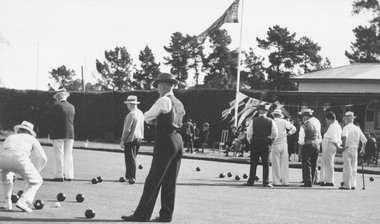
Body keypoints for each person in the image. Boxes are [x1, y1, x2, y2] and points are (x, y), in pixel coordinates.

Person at [121, 73, 185, 222]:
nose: (157, 90)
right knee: (170, 181)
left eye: (158, 86)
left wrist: (155, 120)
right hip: (178, 141)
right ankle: (166, 215)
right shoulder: (179, 102)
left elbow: (147, 116)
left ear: (163, 85)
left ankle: (142, 214)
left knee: (154, 179)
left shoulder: (163, 100)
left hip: (165, 140)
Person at [0, 121, 47, 212]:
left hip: (2, 160)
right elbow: (43, 158)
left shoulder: (10, 137)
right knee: (37, 181)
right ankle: (23, 201)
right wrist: (37, 172)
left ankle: (7, 203)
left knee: (6, 179)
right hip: (20, 159)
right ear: (30, 132)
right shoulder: (32, 139)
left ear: (19, 130)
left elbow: (5, 153)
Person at [244, 104, 278, 187]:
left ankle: (250, 181)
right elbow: (275, 133)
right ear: (266, 112)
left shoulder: (254, 120)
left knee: (253, 163)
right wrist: (271, 141)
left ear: (258, 111)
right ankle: (266, 182)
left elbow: (249, 133)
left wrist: (251, 142)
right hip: (266, 143)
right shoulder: (271, 121)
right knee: (266, 163)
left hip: (256, 142)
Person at [47, 88, 75, 182]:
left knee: (59, 154)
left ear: (58, 97)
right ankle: (69, 175)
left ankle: (59, 175)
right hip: (70, 133)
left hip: (58, 132)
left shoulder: (56, 106)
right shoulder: (72, 106)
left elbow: (49, 118)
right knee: (68, 154)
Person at [120, 95, 144, 183]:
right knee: (133, 158)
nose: (127, 106)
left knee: (130, 159)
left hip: (130, 139)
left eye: (128, 104)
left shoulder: (131, 114)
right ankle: (129, 176)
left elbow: (127, 130)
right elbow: (142, 127)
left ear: (131, 104)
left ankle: (131, 177)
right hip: (139, 138)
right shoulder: (140, 113)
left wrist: (122, 140)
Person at [340, 111, 367, 190]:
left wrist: (343, 146)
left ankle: (347, 185)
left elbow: (344, 137)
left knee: (347, 167)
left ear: (347, 120)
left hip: (348, 148)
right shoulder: (357, 128)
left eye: (345, 119)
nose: (344, 121)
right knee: (354, 167)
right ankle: (353, 184)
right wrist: (362, 149)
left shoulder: (346, 127)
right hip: (355, 148)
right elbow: (364, 140)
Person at [271, 109, 296, 186]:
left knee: (276, 164)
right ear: (280, 115)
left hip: (275, 143)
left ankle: (277, 181)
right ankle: (285, 181)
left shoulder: (272, 122)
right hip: (284, 143)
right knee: (284, 163)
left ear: (274, 115)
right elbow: (294, 128)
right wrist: (289, 133)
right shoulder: (284, 121)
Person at [298, 109, 321, 187]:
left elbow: (301, 140)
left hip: (307, 145)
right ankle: (313, 180)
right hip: (316, 144)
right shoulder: (315, 125)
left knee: (306, 164)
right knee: (314, 163)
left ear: (304, 117)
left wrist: (299, 151)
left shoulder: (303, 126)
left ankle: (308, 182)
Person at [320, 111, 342, 187]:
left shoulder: (334, 126)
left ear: (330, 119)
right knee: (326, 162)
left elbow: (333, 138)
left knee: (328, 162)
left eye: (326, 119)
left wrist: (337, 146)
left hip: (330, 144)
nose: (326, 121)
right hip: (330, 144)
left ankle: (329, 181)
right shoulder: (336, 125)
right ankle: (324, 179)